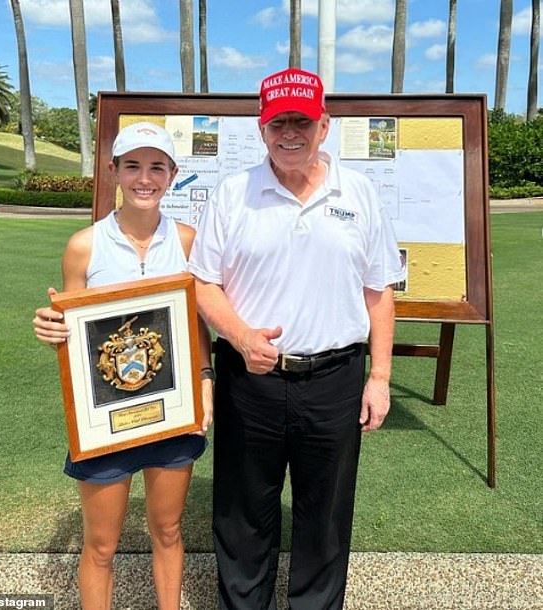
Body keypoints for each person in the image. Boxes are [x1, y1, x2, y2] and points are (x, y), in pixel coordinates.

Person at [188, 68, 405, 610]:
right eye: (278, 121)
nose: (290, 133)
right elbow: (202, 281)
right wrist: (239, 335)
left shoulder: (359, 193)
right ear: (262, 129)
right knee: (243, 512)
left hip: (335, 378)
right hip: (250, 377)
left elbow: (379, 290)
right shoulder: (234, 193)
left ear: (324, 125)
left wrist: (379, 377)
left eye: (301, 122)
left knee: (325, 514)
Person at [32, 121, 214, 610]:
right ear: (113, 171)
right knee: (102, 545)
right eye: (132, 165)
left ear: (173, 174)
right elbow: (74, 336)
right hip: (106, 419)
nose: (144, 178)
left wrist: (205, 381)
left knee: (169, 530)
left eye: (157, 166)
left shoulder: (189, 241)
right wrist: (52, 331)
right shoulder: (84, 246)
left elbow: (197, 327)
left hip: (174, 413)